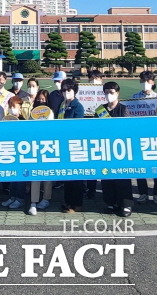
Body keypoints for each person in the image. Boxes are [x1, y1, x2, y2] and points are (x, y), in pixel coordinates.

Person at [95, 81, 133, 217]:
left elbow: (127, 130)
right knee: (107, 177)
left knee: (122, 178)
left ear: (117, 93)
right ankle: (110, 203)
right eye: (106, 92)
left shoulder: (123, 109)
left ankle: (126, 205)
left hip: (120, 149)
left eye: (111, 92)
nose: (108, 95)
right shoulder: (100, 110)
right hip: (105, 149)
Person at [132, 71, 157, 205]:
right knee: (141, 167)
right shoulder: (134, 97)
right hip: (139, 135)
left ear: (153, 82)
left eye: (148, 81)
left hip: (155, 136)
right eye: (143, 80)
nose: (146, 83)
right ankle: (143, 193)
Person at [58, 79, 85, 213]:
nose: (66, 92)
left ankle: (76, 204)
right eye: (64, 90)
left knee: (76, 177)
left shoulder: (78, 106)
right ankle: (67, 202)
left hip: (74, 145)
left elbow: (78, 127)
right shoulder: (62, 104)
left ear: (74, 91)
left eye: (69, 90)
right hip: (63, 144)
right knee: (67, 176)